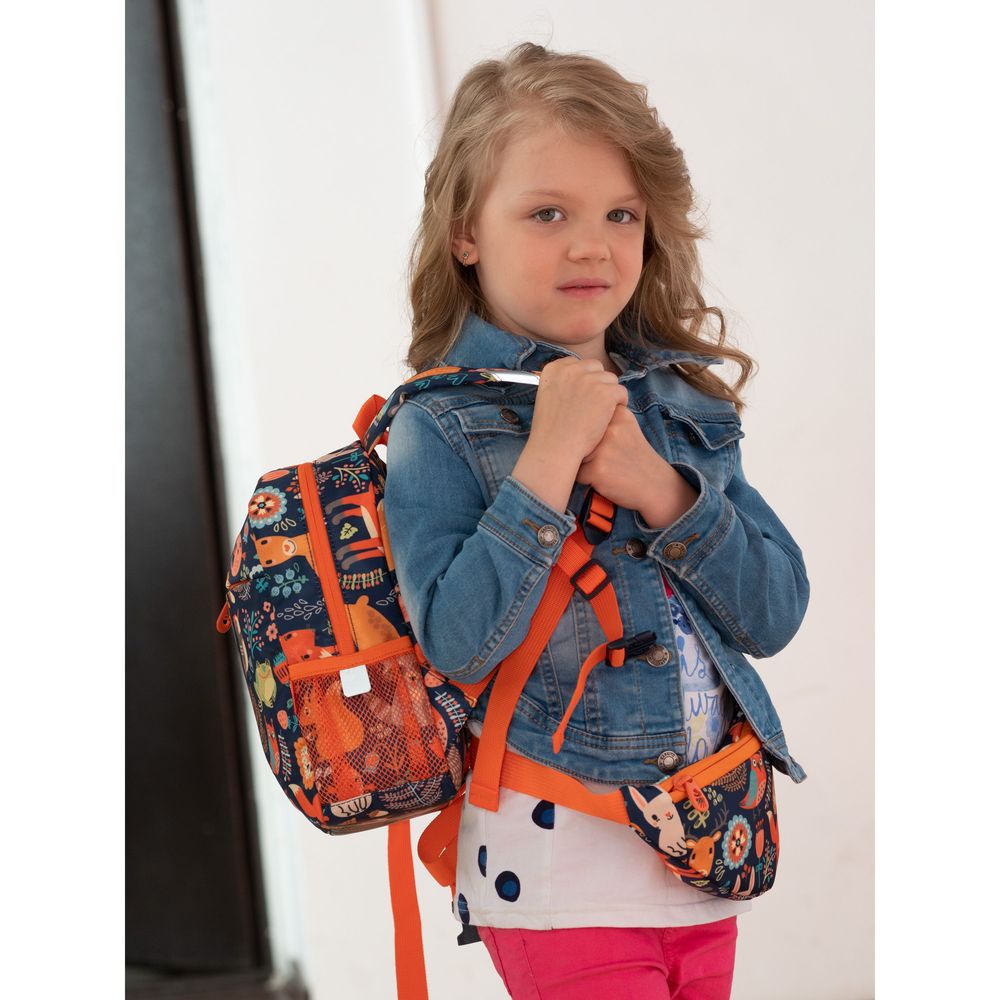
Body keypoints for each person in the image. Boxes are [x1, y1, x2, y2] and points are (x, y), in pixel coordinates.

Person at [383, 41, 809, 1000]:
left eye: (621, 213)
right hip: (554, 871)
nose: (593, 245)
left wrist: (663, 491)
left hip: (702, 854)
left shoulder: (682, 405)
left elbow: (775, 612)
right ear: (465, 232)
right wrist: (545, 463)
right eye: (548, 213)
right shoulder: (439, 424)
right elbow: (457, 643)